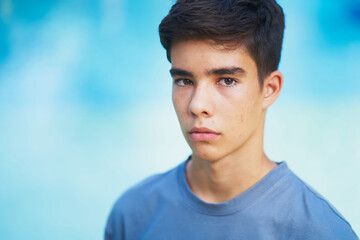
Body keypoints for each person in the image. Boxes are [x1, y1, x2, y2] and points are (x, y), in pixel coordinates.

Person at [105, 0, 358, 239]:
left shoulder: (319, 231)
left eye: (227, 80)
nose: (197, 105)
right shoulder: (132, 215)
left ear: (269, 89)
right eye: (184, 81)